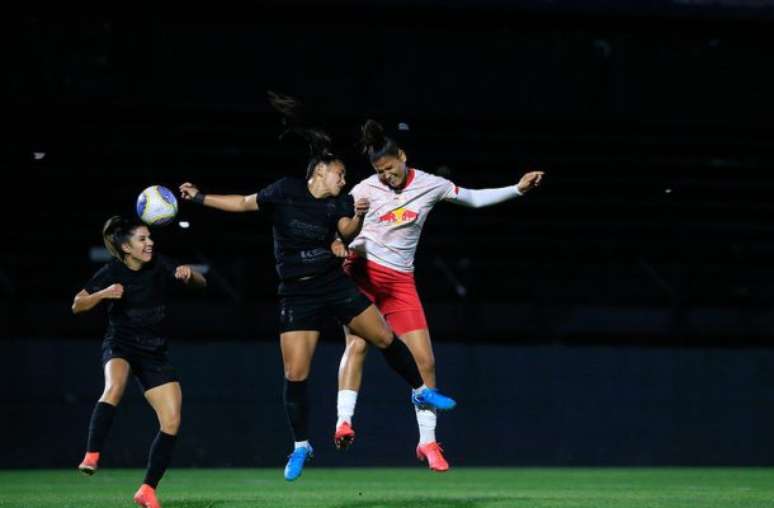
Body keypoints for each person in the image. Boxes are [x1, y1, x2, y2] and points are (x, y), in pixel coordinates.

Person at [178, 94, 455, 481]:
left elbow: (346, 233)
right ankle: (301, 447)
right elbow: (242, 203)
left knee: (385, 337)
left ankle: (419, 390)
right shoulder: (285, 191)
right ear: (320, 171)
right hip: (297, 293)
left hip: (333, 284)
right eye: (340, 174)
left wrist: (353, 225)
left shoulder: (340, 204)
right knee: (295, 373)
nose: (345, 180)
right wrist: (201, 197)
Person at [333, 119, 544, 472]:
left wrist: (518, 189)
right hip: (362, 273)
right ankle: (343, 421)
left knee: (425, 362)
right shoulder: (365, 188)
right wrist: (336, 240)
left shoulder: (431, 185)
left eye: (389, 168)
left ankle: (427, 443)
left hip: (400, 283)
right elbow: (335, 221)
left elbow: (474, 200)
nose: (386, 177)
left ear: (402, 156)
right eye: (380, 172)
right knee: (357, 345)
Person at [73, 216, 207, 508]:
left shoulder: (159, 263)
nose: (150, 243)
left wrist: (189, 274)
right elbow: (77, 303)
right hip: (120, 345)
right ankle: (92, 454)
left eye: (150, 238)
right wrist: (103, 294)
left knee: (172, 421)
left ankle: (147, 489)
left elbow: (201, 281)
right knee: (114, 387)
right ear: (126, 247)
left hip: (154, 353)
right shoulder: (111, 271)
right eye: (143, 239)